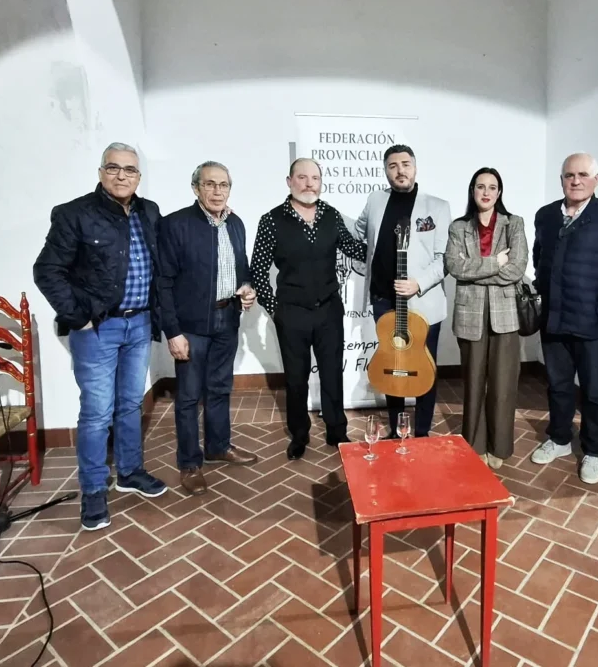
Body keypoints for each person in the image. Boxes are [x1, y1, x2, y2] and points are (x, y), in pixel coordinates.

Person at [33, 142, 167, 531]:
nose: (122, 175)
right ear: (101, 172)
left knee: (129, 404)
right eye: (114, 168)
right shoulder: (74, 214)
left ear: (139, 177)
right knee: (95, 413)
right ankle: (93, 489)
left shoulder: (149, 211)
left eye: (130, 170)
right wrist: (78, 317)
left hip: (140, 324)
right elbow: (47, 271)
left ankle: (129, 472)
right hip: (98, 328)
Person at [529, 152, 598, 484]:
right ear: (561, 179)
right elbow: (539, 258)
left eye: (582, 175)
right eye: (568, 175)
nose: (575, 181)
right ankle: (560, 439)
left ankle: (594, 450)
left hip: (593, 324)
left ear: (596, 179)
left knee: (592, 390)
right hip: (554, 320)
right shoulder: (546, 215)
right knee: (559, 386)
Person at [250, 158, 367, 460]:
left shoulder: (331, 215)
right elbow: (258, 269)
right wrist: (275, 308)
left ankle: (336, 430)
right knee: (296, 377)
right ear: (289, 181)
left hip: (329, 310)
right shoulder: (272, 220)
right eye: (302, 177)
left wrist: (385, 244)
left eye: (314, 177)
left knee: (331, 374)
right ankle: (299, 434)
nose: (309, 183)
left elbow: (354, 249)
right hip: (292, 313)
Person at [158, 161, 258, 496]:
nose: (217, 191)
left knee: (219, 388)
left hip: (226, 320)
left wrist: (246, 288)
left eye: (224, 185)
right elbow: (163, 283)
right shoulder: (176, 225)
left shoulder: (236, 224)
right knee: (188, 397)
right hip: (191, 327)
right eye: (210, 184)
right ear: (196, 188)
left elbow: (240, 267)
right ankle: (190, 463)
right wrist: (172, 332)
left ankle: (218, 446)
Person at [356, 145, 450, 438]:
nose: (400, 170)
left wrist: (418, 283)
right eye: (393, 165)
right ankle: (398, 428)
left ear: (415, 167)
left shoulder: (437, 206)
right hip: (383, 300)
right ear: (386, 171)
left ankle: (421, 431)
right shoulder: (375, 200)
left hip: (423, 303)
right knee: (392, 364)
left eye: (405, 164)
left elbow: (444, 257)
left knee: (423, 367)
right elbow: (360, 231)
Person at [444, 167, 527, 468]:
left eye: (492, 187)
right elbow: (455, 267)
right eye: (480, 186)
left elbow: (516, 269)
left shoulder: (514, 224)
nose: (486, 192)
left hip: (505, 316)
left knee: (503, 385)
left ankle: (499, 447)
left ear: (500, 192)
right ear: (472, 191)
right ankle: (474, 445)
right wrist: (495, 262)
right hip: (470, 316)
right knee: (473, 383)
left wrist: (477, 270)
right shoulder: (458, 227)